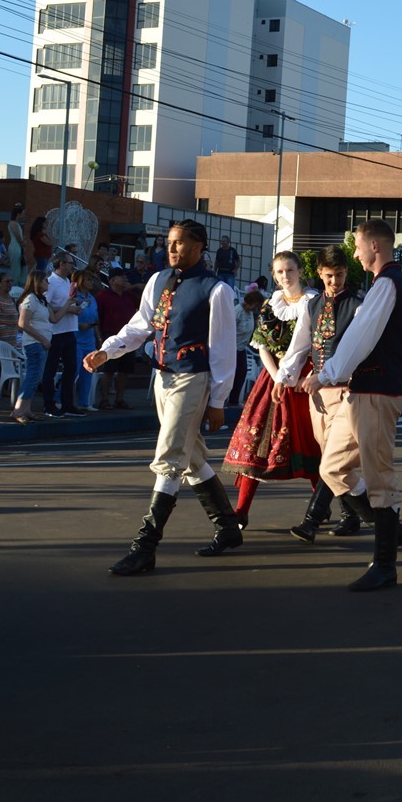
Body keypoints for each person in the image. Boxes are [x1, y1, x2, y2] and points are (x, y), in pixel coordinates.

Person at [88, 219, 241, 575]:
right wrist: (107, 351)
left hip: (193, 376)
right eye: (170, 243)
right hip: (163, 376)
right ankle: (228, 527)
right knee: (190, 456)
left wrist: (218, 400)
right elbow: (140, 326)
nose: (171, 249)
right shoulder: (157, 281)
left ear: (200, 246)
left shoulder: (215, 289)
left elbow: (222, 350)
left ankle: (145, 546)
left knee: (170, 456)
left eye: (179, 243)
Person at [305, 220, 402, 590]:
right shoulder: (384, 283)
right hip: (364, 390)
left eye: (359, 246)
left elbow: (360, 336)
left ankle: (385, 563)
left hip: (378, 391)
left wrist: (328, 372)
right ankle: (391, 531)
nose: (354, 253)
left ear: (376, 247)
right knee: (333, 468)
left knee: (380, 477)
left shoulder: (387, 283)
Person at [222, 251, 322, 528]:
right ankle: (241, 510)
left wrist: (299, 375)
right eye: (279, 272)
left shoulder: (313, 302)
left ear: (300, 271)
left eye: (289, 270)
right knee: (256, 441)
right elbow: (262, 343)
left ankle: (318, 508)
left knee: (310, 441)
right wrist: (277, 375)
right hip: (274, 378)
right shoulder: (271, 304)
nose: (285, 276)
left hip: (303, 377)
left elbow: (317, 345)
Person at [275, 246, 365, 543]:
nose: (335, 282)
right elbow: (300, 345)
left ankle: (311, 520)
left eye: (339, 275)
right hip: (319, 394)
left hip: (348, 391)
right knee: (331, 458)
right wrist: (283, 377)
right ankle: (354, 514)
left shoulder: (357, 305)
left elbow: (360, 349)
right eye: (329, 276)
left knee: (334, 459)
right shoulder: (312, 306)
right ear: (319, 273)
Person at [13, 272, 54, 424]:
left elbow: (54, 319)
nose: (48, 284)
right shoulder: (30, 299)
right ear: (37, 282)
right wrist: (43, 339)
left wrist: (69, 303)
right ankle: (18, 410)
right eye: (45, 281)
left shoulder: (41, 300)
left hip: (41, 344)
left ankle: (27, 409)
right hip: (34, 344)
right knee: (32, 376)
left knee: (35, 377)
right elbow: (22, 323)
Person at [43, 256, 81, 417]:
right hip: (56, 332)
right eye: (71, 263)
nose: (73, 266)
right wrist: (66, 309)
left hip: (69, 329)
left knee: (71, 368)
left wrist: (76, 306)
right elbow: (46, 303)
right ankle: (49, 405)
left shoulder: (68, 281)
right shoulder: (51, 282)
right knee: (50, 369)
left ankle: (67, 403)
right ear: (62, 264)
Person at [93, 272, 137, 410]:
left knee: (125, 370)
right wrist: (99, 338)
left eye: (124, 276)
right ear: (112, 280)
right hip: (110, 337)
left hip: (128, 338)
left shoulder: (130, 296)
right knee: (108, 369)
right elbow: (97, 319)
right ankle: (104, 399)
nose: (125, 279)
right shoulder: (102, 296)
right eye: (121, 277)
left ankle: (119, 399)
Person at [71, 270, 100, 411]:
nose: (91, 282)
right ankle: (60, 399)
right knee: (73, 370)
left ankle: (84, 402)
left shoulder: (92, 298)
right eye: (89, 279)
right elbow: (67, 316)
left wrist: (98, 337)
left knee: (88, 370)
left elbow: (95, 318)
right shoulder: (73, 296)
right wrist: (78, 325)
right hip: (76, 338)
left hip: (89, 338)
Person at [0, 271, 19, 346]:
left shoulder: (12, 299)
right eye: (7, 281)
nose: (10, 283)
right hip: (1, 342)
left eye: (11, 281)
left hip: (12, 342)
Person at [6, 202, 26, 286]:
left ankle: (19, 284)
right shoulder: (13, 223)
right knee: (15, 268)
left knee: (21, 266)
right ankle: (14, 285)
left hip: (17, 247)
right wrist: (22, 243)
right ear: (18, 214)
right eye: (23, 214)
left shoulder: (16, 223)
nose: (24, 215)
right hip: (15, 247)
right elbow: (18, 237)